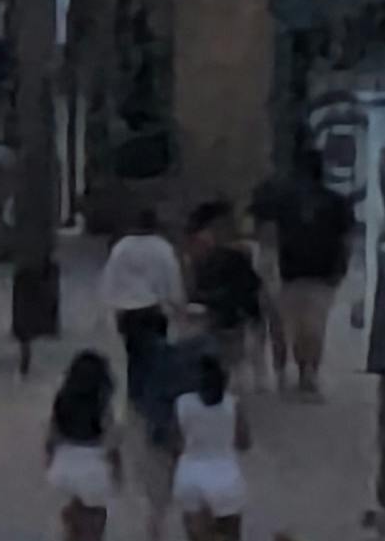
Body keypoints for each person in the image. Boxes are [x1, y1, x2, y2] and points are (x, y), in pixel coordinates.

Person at [254, 171, 356, 397]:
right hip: (322, 274)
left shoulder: (284, 202)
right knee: (314, 327)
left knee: (300, 327)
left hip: (294, 274)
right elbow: (347, 239)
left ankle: (304, 372)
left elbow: (271, 235)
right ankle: (308, 373)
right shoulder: (336, 202)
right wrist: (342, 268)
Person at [101, 205, 187, 458]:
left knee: (134, 356)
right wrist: (178, 304)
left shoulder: (122, 248)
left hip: (129, 313)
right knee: (156, 359)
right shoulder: (163, 248)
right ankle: (153, 407)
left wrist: (113, 307)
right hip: (153, 311)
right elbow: (172, 279)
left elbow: (110, 281)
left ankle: (135, 399)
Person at [167, 347, 250, 541]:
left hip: (190, 474)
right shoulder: (232, 404)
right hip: (226, 476)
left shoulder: (182, 403)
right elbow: (244, 442)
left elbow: (174, 442)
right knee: (230, 534)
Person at [186, 200, 268, 389]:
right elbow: (251, 285)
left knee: (225, 348)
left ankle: (229, 380)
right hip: (229, 310)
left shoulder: (210, 258)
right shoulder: (232, 255)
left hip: (221, 310)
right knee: (230, 349)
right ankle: (236, 380)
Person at [45, 349, 124, 541]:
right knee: (96, 516)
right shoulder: (102, 404)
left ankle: (72, 526)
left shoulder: (62, 400)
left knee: (78, 505)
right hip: (93, 469)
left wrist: (50, 462)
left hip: (63, 466)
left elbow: (51, 438)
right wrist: (118, 472)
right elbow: (111, 444)